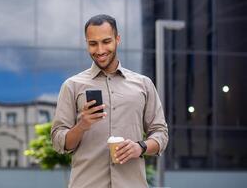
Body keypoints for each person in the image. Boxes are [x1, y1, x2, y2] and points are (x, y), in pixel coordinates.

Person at [51, 14, 168, 188]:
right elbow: (58, 142)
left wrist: (140, 147)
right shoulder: (72, 86)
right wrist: (82, 125)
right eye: (93, 44)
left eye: (106, 41)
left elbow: (161, 134)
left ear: (117, 39)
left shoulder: (143, 84)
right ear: (87, 44)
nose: (99, 50)